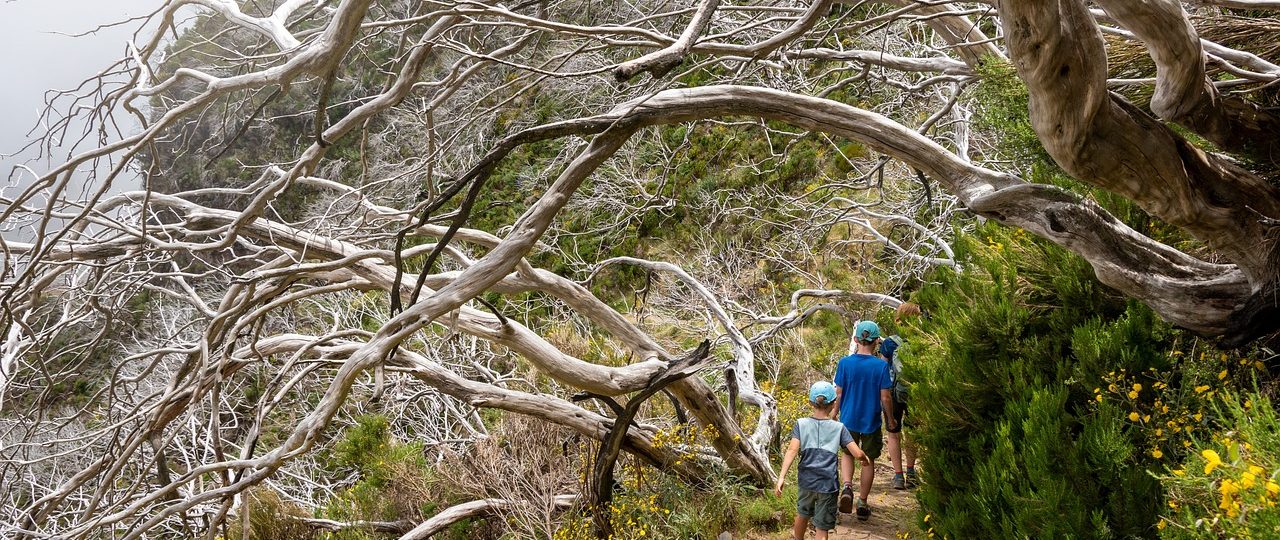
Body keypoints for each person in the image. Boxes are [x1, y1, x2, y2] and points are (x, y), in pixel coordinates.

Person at [774, 381, 871, 539]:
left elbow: (792, 450)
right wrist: (864, 459)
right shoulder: (839, 428)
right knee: (822, 526)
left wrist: (782, 477)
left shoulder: (801, 424)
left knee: (802, 514)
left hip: (806, 482)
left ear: (810, 402)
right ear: (833, 404)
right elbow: (856, 453)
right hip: (827, 484)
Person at [833, 320, 896, 521]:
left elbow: (839, 393)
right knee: (868, 460)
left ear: (855, 339)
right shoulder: (880, 367)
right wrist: (891, 419)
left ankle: (847, 487)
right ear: (877, 341)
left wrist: (834, 413)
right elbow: (885, 397)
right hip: (871, 421)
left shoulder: (845, 363)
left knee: (848, 454)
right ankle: (862, 502)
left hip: (848, 419)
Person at [881, 302, 921, 489]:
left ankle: (898, 475)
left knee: (893, 433)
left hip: (893, 394)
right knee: (912, 433)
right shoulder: (922, 339)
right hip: (916, 393)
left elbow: (883, 369)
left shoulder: (889, 343)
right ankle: (911, 472)